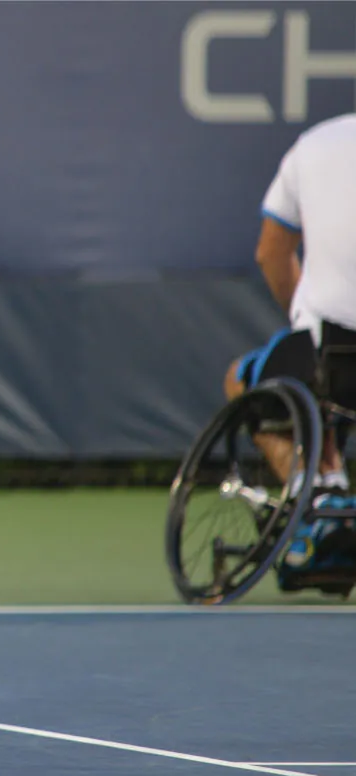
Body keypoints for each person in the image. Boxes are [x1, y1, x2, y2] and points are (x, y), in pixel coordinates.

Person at [222, 112, 356, 582]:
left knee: (244, 381)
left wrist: (302, 325)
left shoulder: (315, 144)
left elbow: (271, 254)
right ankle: (330, 490)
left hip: (331, 355)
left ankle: (317, 499)